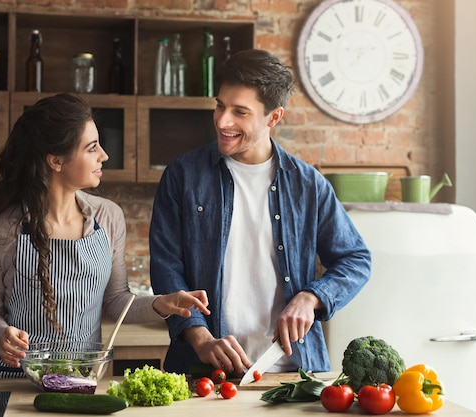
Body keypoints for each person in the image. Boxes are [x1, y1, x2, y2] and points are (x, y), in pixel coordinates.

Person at [0, 93, 209, 388]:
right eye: (92, 148)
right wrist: (1, 334)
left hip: (83, 382)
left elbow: (116, 301)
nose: (104, 155)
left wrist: (162, 303)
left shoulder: (109, 217)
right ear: (56, 160)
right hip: (13, 383)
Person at [149, 49, 371, 376]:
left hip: (293, 374)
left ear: (273, 117)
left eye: (240, 112)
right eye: (220, 106)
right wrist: (201, 338)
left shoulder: (309, 185)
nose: (223, 121)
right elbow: (167, 267)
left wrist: (311, 297)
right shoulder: (183, 176)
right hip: (204, 372)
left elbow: (355, 258)